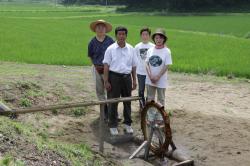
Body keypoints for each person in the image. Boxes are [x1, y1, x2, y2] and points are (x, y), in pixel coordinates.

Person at [103, 26, 137, 136]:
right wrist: (106, 81)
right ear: (116, 35)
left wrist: (134, 80)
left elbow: (133, 66)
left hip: (127, 78)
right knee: (113, 102)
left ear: (126, 35)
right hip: (114, 77)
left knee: (127, 101)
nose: (121, 36)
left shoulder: (131, 49)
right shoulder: (110, 49)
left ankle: (128, 124)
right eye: (119, 34)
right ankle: (112, 125)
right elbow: (106, 66)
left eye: (123, 34)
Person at [88, 20, 114, 122]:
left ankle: (112, 113)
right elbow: (90, 56)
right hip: (96, 68)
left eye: (102, 27)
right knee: (100, 91)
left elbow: (114, 55)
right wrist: (95, 66)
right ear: (95, 29)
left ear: (105, 29)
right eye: (98, 27)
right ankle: (104, 113)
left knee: (110, 90)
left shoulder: (110, 41)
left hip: (108, 68)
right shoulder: (92, 42)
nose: (100, 29)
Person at [145, 28, 172, 122]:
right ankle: (151, 116)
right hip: (150, 79)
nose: (158, 40)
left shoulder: (167, 51)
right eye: (156, 38)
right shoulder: (150, 50)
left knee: (161, 98)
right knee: (150, 98)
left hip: (161, 79)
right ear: (154, 39)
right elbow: (147, 64)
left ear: (164, 39)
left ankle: (160, 116)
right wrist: (150, 76)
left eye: (161, 38)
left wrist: (158, 76)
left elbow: (166, 65)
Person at [134, 27, 154, 110]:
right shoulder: (137, 46)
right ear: (141, 36)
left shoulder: (153, 46)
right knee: (141, 90)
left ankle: (148, 106)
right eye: (143, 34)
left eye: (146, 34)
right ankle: (141, 106)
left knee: (150, 90)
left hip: (150, 72)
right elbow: (135, 59)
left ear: (149, 36)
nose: (145, 36)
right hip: (140, 72)